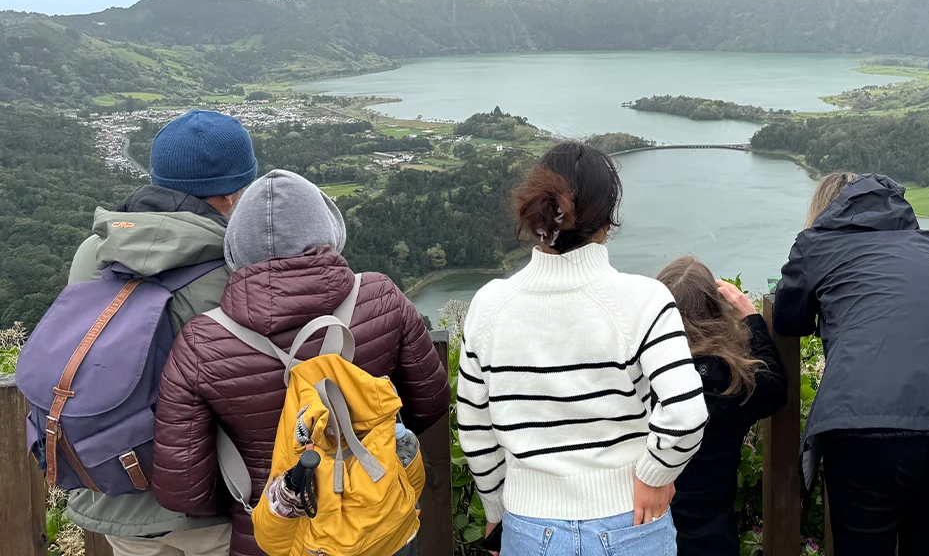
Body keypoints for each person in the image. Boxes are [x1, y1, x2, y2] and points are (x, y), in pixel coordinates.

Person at [150, 169, 450, 556]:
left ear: (236, 247)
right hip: (377, 521)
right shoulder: (380, 297)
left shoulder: (201, 341)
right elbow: (430, 404)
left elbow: (183, 488)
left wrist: (257, 494)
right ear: (329, 230)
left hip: (278, 537)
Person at [457, 143, 709, 556]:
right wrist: (655, 474)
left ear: (536, 215)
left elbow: (474, 427)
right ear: (608, 221)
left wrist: (496, 509)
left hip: (528, 525)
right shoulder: (645, 300)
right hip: (632, 517)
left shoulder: (489, 306)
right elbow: (685, 414)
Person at [773, 171, 929, 556]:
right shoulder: (925, 243)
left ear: (823, 210)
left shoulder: (815, 243)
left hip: (865, 422)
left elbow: (787, 318)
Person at [65, 109, 258, 556]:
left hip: (114, 482)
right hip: (209, 496)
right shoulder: (235, 269)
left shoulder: (94, 251)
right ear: (232, 194)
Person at [656, 257, 786, 556]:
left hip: (646, 529)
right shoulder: (734, 380)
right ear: (715, 312)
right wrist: (752, 319)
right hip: (713, 536)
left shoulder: (643, 377)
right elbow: (774, 388)